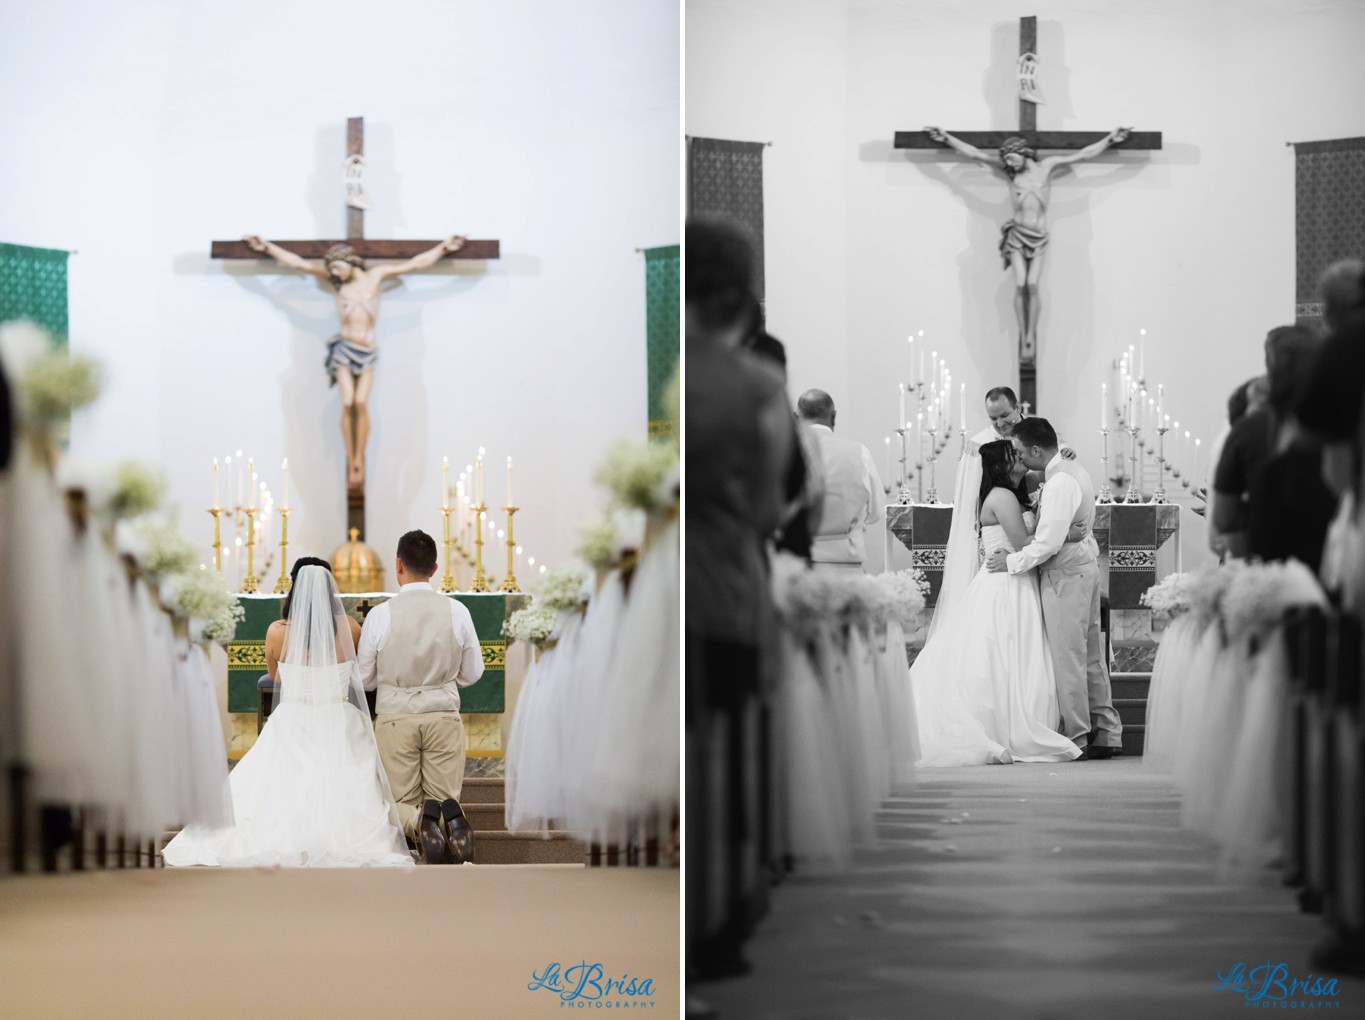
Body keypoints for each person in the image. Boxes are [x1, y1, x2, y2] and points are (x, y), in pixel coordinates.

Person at [685, 215, 795, 987]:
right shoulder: (758, 386)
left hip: (671, 595)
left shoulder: (665, 375)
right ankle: (718, 928)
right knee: (724, 752)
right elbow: (767, 509)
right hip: (726, 590)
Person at [162, 558, 413, 867]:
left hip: (293, 717)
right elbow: (359, 672)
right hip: (338, 718)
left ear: (295, 588)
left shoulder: (276, 632)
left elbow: (275, 676)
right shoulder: (351, 628)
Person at [243, 233, 466, 490]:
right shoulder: (338, 285)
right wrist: (268, 248)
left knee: (361, 403)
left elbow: (415, 264)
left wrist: (444, 249)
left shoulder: (375, 278)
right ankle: (353, 459)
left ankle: (359, 457)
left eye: (338, 267)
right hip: (344, 350)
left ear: (351, 261)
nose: (335, 274)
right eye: (332, 270)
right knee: (348, 403)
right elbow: (298, 264)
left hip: (367, 351)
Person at [910, 440, 1083, 766]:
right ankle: (1003, 723)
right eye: (1012, 455)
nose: (1019, 457)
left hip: (1017, 578)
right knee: (1003, 652)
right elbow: (1023, 543)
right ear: (1000, 467)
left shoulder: (1016, 492)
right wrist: (1069, 533)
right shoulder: (1001, 497)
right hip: (1005, 584)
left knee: (1014, 654)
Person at [924, 127, 1131, 359]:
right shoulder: (1011, 174)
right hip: (1017, 235)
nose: (1009, 165)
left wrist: (1110, 140)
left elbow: (1083, 154)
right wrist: (948, 139)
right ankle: (1024, 335)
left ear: (1022, 153)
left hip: (1039, 236)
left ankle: (1031, 332)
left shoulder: (1047, 168)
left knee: (1033, 285)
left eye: (1011, 159)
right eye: (1006, 162)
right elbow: (975, 154)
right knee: (1021, 283)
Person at [988, 417, 1123, 758]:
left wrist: (1010, 562)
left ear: (1036, 449)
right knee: (1091, 656)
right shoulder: (1072, 469)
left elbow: (1046, 544)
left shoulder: (1060, 481)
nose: (1018, 458)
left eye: (1020, 451)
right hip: (1083, 569)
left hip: (1065, 575)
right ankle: (1106, 732)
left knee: (1069, 660)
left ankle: (1078, 737)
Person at [357, 530, 484, 864]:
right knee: (444, 797)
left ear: (398, 566)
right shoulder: (457, 611)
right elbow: (473, 673)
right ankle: (451, 823)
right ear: (435, 568)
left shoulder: (381, 615)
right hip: (443, 714)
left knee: (395, 801)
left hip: (396, 717)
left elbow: (365, 677)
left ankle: (417, 823)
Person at [797, 389, 883, 571]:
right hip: (847, 565)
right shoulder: (859, 453)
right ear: (833, 416)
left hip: (798, 563)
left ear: (797, 417)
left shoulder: (784, 453)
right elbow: (875, 513)